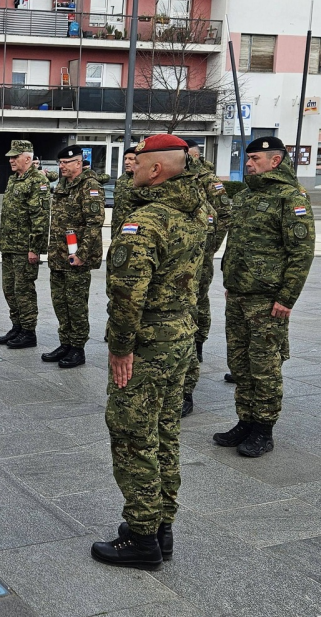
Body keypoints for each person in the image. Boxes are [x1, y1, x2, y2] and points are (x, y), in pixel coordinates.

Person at [91, 134, 206, 571]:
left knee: (133, 433)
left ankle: (142, 538)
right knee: (165, 431)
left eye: (137, 161)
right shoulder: (195, 209)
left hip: (148, 343)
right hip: (180, 337)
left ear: (156, 170)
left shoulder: (148, 221)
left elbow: (126, 295)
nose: (132, 167)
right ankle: (161, 525)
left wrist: (121, 349)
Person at [212, 137, 315, 457]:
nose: (249, 163)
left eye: (256, 158)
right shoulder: (244, 196)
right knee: (240, 364)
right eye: (248, 158)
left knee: (265, 365)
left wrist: (287, 297)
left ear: (276, 161)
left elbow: (301, 252)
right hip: (240, 294)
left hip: (269, 298)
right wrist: (232, 279)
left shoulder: (291, 197)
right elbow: (237, 244)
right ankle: (245, 419)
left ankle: (264, 428)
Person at [183, 142, 233, 417]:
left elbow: (224, 215)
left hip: (201, 254)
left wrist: (210, 246)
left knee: (198, 300)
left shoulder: (209, 181)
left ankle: (199, 342)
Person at [42, 146, 104, 368]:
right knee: (60, 302)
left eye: (66, 163)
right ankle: (65, 343)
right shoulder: (62, 184)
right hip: (58, 256)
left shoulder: (90, 186)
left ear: (79, 163)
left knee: (76, 304)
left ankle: (78, 348)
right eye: (60, 163)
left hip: (76, 258)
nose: (61, 166)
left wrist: (81, 254)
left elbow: (94, 223)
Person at [0, 140, 50, 349]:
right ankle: (17, 326)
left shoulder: (37, 181)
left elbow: (40, 217)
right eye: (10, 157)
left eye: (15, 156)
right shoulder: (14, 180)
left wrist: (34, 248)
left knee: (24, 290)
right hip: (9, 245)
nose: (11, 160)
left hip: (24, 248)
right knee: (9, 289)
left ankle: (28, 331)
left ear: (27, 158)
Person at [111, 146, 138, 239]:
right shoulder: (121, 180)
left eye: (131, 159)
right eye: (125, 159)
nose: (127, 162)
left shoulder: (143, 180)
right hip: (117, 229)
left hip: (134, 230)